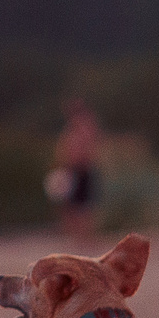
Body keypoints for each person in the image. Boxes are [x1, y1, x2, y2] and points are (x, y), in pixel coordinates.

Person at [48, 98, 103, 241]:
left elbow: (86, 147)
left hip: (81, 169)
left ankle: (84, 238)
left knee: (82, 207)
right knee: (70, 206)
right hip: (72, 169)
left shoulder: (83, 124)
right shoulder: (73, 126)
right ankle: (77, 238)